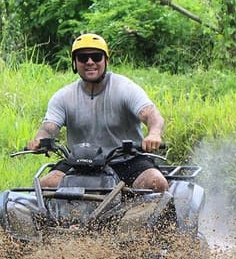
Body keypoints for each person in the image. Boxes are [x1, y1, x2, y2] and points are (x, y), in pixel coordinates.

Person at [27, 33, 169, 192]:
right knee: (42, 188)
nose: (90, 62)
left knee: (157, 183)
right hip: (79, 163)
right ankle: (55, 217)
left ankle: (135, 217)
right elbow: (49, 128)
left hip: (127, 160)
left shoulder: (124, 88)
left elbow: (150, 114)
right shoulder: (63, 96)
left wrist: (154, 134)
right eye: (82, 58)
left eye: (96, 57)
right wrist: (39, 140)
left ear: (106, 60)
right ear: (74, 62)